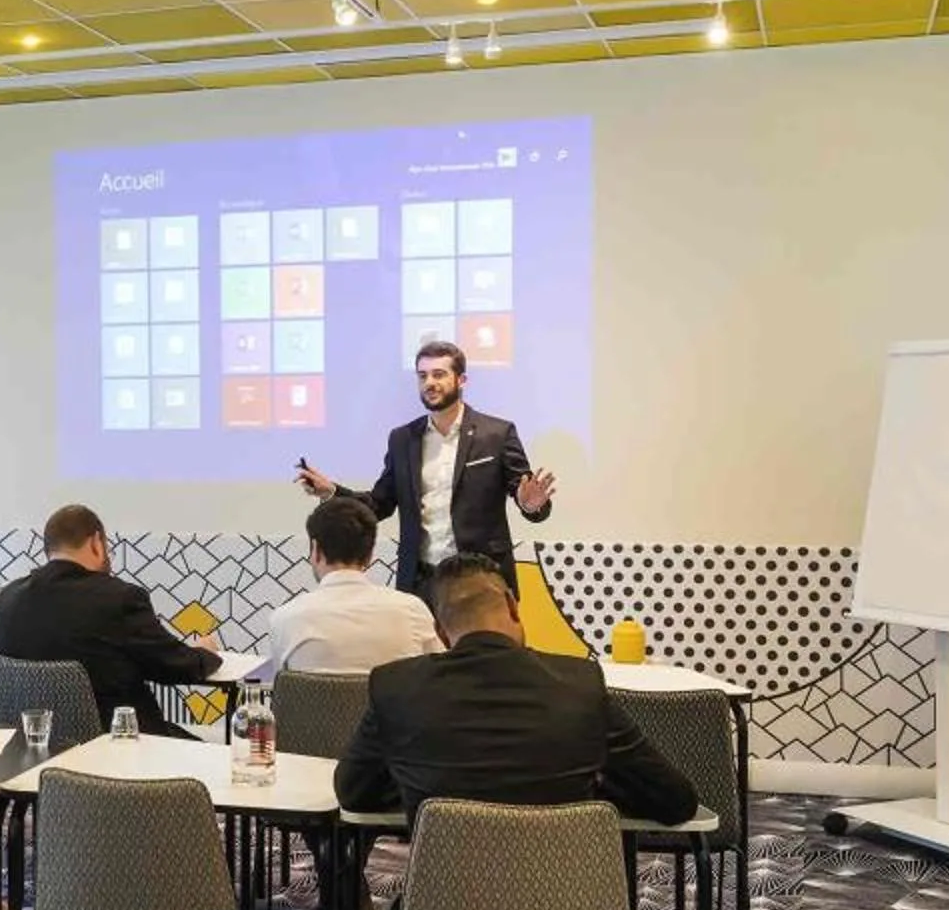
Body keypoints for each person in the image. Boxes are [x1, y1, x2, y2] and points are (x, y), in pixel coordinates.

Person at [334, 557, 695, 831]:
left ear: (441, 633)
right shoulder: (582, 683)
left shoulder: (394, 687)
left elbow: (352, 792)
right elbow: (676, 801)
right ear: (511, 605)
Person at [294, 340, 556, 599]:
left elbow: (529, 498)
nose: (429, 382)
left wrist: (531, 505)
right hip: (420, 583)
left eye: (439, 374)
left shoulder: (497, 434)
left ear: (461, 380)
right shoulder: (403, 439)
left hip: (481, 579)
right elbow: (378, 504)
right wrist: (331, 492)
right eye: (422, 376)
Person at [0, 504, 221, 742]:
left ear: (48, 549)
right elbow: (174, 666)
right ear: (96, 542)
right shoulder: (120, 599)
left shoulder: (8, 597)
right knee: (211, 755)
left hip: (32, 753)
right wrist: (203, 653)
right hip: (119, 749)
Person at [264, 494, 444, 677]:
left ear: (316, 550)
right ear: (370, 554)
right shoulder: (413, 611)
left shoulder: (284, 619)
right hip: (393, 706)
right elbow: (439, 678)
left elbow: (282, 695)